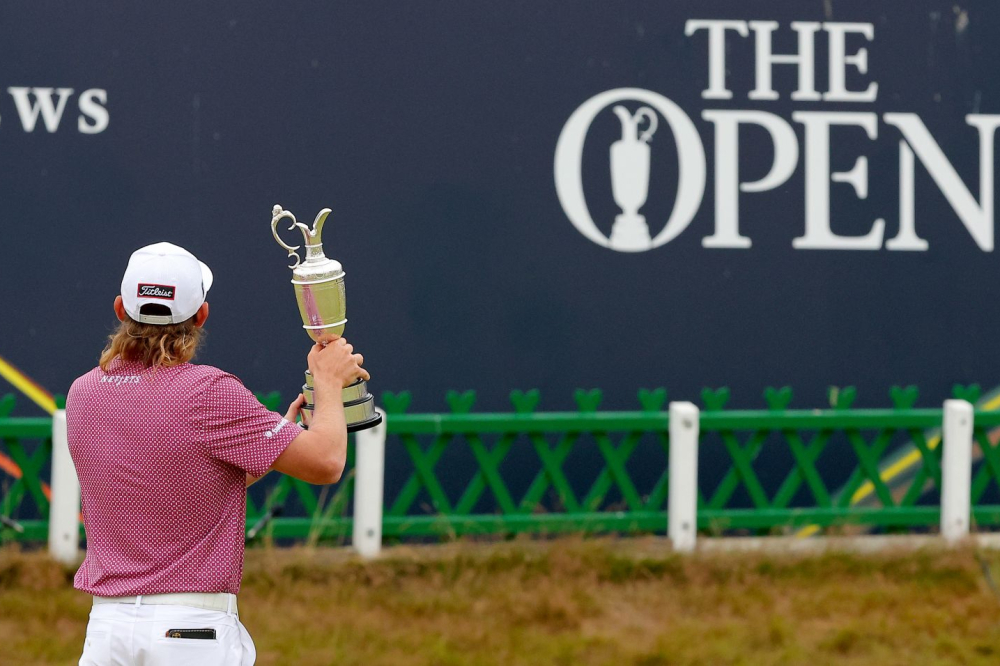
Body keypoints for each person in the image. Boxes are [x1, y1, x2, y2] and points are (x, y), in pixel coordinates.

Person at [66, 241, 367, 666]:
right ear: (201, 315)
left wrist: (268, 442)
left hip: (106, 633)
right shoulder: (209, 392)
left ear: (120, 309)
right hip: (191, 634)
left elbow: (188, 479)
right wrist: (329, 380)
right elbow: (327, 463)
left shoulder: (84, 393)